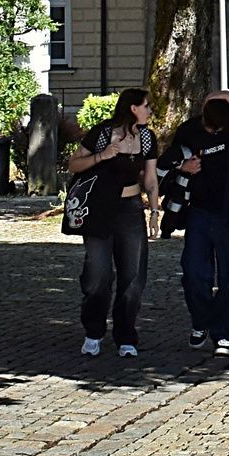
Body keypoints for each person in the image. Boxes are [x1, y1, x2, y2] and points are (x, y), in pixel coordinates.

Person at [69, 87, 160, 357]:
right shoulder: (101, 133)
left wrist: (154, 212)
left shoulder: (146, 138)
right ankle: (94, 332)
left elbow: (151, 179)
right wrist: (102, 156)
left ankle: (125, 336)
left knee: (133, 277)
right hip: (99, 209)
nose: (150, 111)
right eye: (146, 106)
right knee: (98, 274)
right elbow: (74, 164)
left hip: (131, 210)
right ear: (133, 108)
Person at [170, 90, 229, 355]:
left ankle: (223, 332)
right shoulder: (189, 130)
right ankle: (201, 321)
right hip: (199, 210)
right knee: (194, 272)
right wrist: (183, 166)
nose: (215, 128)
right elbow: (172, 157)